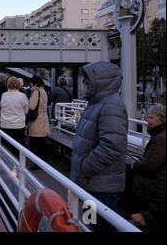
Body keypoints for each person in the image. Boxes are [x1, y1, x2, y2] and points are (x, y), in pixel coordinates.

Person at [70, 61, 128, 232]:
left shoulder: (111, 105)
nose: (85, 82)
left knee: (102, 228)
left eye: (88, 79)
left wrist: (85, 167)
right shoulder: (97, 102)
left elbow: (112, 146)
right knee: (91, 224)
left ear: (101, 80)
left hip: (101, 186)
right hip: (92, 184)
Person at [127, 104, 165, 231]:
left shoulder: (160, 139)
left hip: (153, 192)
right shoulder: (159, 136)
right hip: (154, 189)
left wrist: (135, 164)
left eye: (151, 117)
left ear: (161, 118)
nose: (148, 120)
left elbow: (149, 165)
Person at [0, 77, 29, 157]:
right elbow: (26, 110)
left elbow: (1, 106)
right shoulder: (22, 96)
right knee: (18, 147)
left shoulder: (4, 95)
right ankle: (19, 165)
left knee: (6, 147)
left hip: (5, 124)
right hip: (19, 125)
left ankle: (6, 164)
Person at [27, 75, 50, 163]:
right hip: (44, 117)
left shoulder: (36, 92)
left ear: (35, 83)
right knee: (42, 141)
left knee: (36, 141)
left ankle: (38, 163)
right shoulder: (44, 91)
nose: (30, 84)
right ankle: (43, 161)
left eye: (31, 83)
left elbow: (32, 106)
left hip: (37, 118)